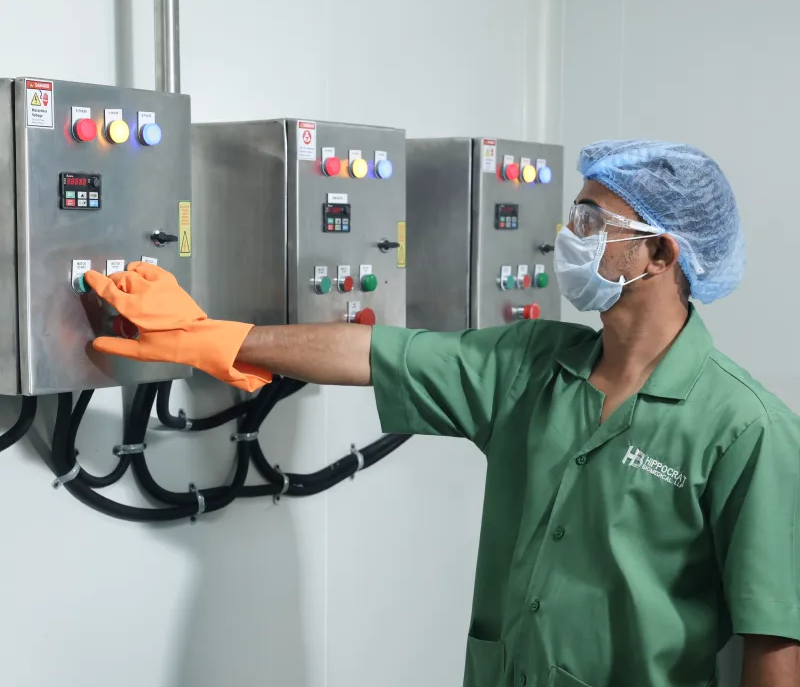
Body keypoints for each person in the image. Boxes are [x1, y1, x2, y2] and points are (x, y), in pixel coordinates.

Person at [84, 140, 800, 687]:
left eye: (591, 221)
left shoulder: (746, 428)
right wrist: (216, 337)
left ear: (660, 254)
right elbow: (376, 352)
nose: (568, 235)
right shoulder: (532, 364)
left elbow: (773, 642)